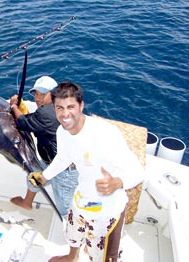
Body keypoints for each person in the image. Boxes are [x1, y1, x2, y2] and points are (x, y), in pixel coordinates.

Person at [29, 82, 144, 262]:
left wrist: (117, 183)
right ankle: (71, 257)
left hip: (107, 213)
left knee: (104, 257)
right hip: (81, 200)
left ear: (81, 106)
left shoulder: (105, 134)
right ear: (54, 108)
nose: (65, 114)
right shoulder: (62, 131)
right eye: (59, 108)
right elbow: (64, 157)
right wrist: (44, 177)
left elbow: (138, 172)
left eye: (71, 107)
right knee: (73, 235)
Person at [9, 76, 78, 218]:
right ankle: (27, 203)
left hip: (64, 170)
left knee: (64, 207)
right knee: (33, 173)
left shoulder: (45, 113)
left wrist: (14, 106)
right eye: (36, 94)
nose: (38, 98)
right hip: (50, 162)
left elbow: (22, 122)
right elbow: (35, 121)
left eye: (43, 94)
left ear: (53, 94)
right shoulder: (56, 108)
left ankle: (75, 234)